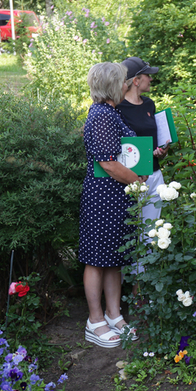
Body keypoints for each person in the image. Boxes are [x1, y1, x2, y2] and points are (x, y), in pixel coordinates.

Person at [79, 62, 147, 348]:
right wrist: (138, 183)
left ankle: (114, 315)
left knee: (114, 258)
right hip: (104, 196)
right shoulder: (103, 115)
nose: (125, 86)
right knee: (97, 258)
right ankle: (94, 321)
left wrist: (138, 170)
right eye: (122, 82)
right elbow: (108, 163)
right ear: (110, 85)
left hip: (114, 196)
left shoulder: (108, 112)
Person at [118, 57, 168, 235]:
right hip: (133, 177)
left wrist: (161, 150)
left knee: (152, 233)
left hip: (154, 174)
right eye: (148, 75)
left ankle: (147, 264)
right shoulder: (118, 107)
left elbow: (151, 139)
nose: (151, 79)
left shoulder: (149, 103)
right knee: (130, 233)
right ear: (136, 81)